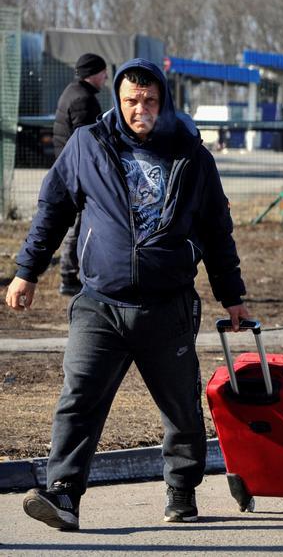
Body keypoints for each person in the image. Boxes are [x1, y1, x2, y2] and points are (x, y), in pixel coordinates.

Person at [6, 59, 252, 530]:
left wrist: (232, 294)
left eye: (150, 101)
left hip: (168, 305)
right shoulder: (88, 145)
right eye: (131, 101)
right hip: (100, 303)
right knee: (78, 398)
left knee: (179, 404)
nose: (141, 110)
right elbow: (53, 210)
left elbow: (217, 230)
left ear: (164, 102)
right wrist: (27, 271)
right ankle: (64, 496)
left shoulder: (192, 156)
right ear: (117, 102)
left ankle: (181, 490)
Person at [52, 53, 108, 296]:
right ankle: (68, 274)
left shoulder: (72, 92)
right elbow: (89, 143)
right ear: (94, 73)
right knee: (79, 222)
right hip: (79, 172)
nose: (106, 77)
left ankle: (70, 272)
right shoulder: (83, 100)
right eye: (104, 72)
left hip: (70, 169)